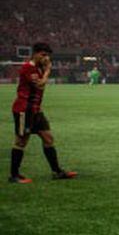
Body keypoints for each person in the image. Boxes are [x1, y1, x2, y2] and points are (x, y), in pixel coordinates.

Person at [10, 43, 77, 184]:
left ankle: (57, 171)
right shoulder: (28, 67)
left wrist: (44, 69)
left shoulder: (38, 68)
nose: (45, 58)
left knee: (48, 138)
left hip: (36, 110)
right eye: (43, 55)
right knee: (21, 141)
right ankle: (14, 175)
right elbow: (39, 84)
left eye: (47, 55)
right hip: (24, 109)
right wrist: (48, 71)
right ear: (35, 53)